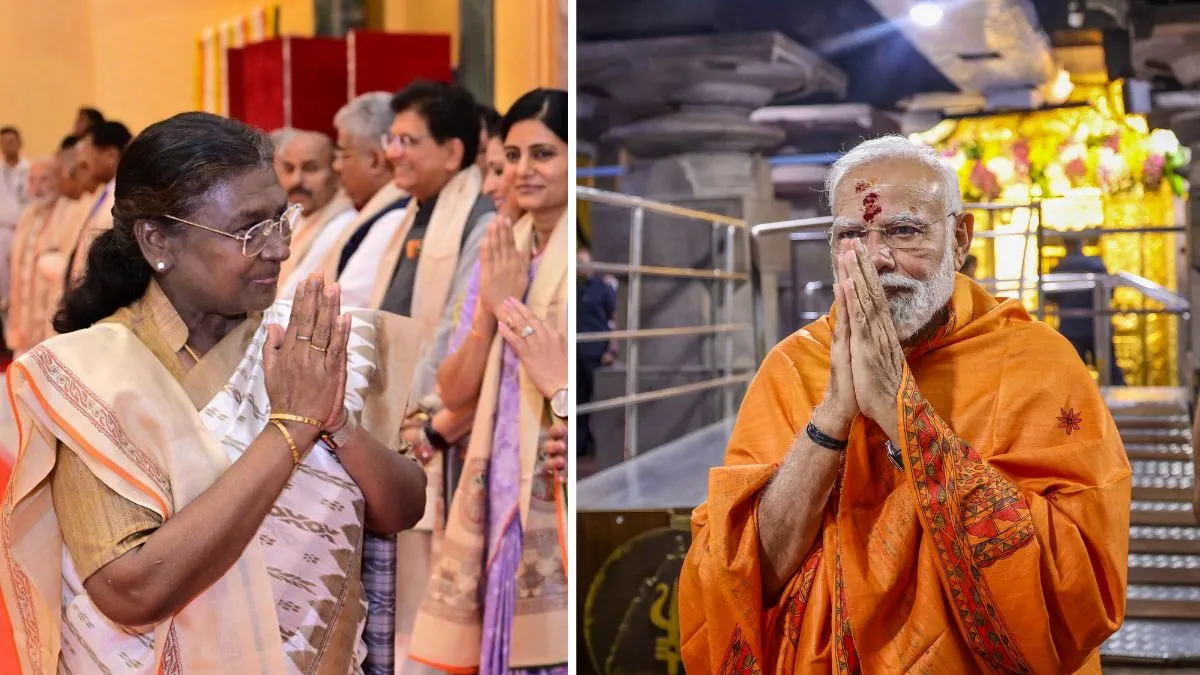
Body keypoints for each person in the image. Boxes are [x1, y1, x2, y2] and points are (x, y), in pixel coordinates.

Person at [679, 135, 1131, 673]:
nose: (877, 259)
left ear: (960, 238)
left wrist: (904, 419)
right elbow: (741, 580)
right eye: (853, 234)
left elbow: (1077, 587)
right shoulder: (795, 365)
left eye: (903, 230)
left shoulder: (1035, 363)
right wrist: (833, 417)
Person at [0, 112, 428, 673]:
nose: (278, 248)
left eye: (283, 219)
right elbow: (132, 593)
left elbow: (402, 507)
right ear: (158, 240)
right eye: (250, 229)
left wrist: (336, 422)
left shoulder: (310, 341)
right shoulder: (92, 375)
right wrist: (293, 426)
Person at [410, 88, 570, 675]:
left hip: (553, 468)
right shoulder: (505, 247)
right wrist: (489, 307)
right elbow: (455, 389)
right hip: (501, 473)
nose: (523, 171)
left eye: (544, 154)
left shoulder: (581, 258)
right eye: (511, 157)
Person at [302, 92, 411, 304]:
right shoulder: (379, 212)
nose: (337, 166)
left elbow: (344, 304)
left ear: (375, 160)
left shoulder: (395, 219)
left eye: (344, 154)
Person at [275, 130, 354, 284]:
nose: (296, 180)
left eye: (310, 168)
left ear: (335, 172)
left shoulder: (343, 229)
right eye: (289, 168)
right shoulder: (290, 221)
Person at [1046, 238, 1125, 385]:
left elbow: (1049, 296)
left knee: (1072, 379)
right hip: (1097, 326)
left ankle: (1077, 406)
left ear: (1064, 246)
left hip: (1071, 328)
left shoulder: (1059, 268)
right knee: (1110, 372)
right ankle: (1119, 402)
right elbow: (1110, 292)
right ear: (1082, 244)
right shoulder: (1096, 265)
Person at [6, 156, 60, 355]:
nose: (37, 186)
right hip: (24, 311)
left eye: (44, 179)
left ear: (58, 179)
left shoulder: (66, 212)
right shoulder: (27, 215)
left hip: (48, 312)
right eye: (32, 180)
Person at [68, 119, 132, 280]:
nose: (83, 160)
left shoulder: (124, 199)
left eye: (88, 150)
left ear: (110, 156)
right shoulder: (103, 193)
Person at [576, 241, 618, 457]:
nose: (579, 266)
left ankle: (597, 446)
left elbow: (614, 319)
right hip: (576, 356)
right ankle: (580, 446)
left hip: (596, 354)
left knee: (598, 404)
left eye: (582, 262)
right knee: (578, 403)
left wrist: (611, 350)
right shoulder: (574, 288)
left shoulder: (602, 289)